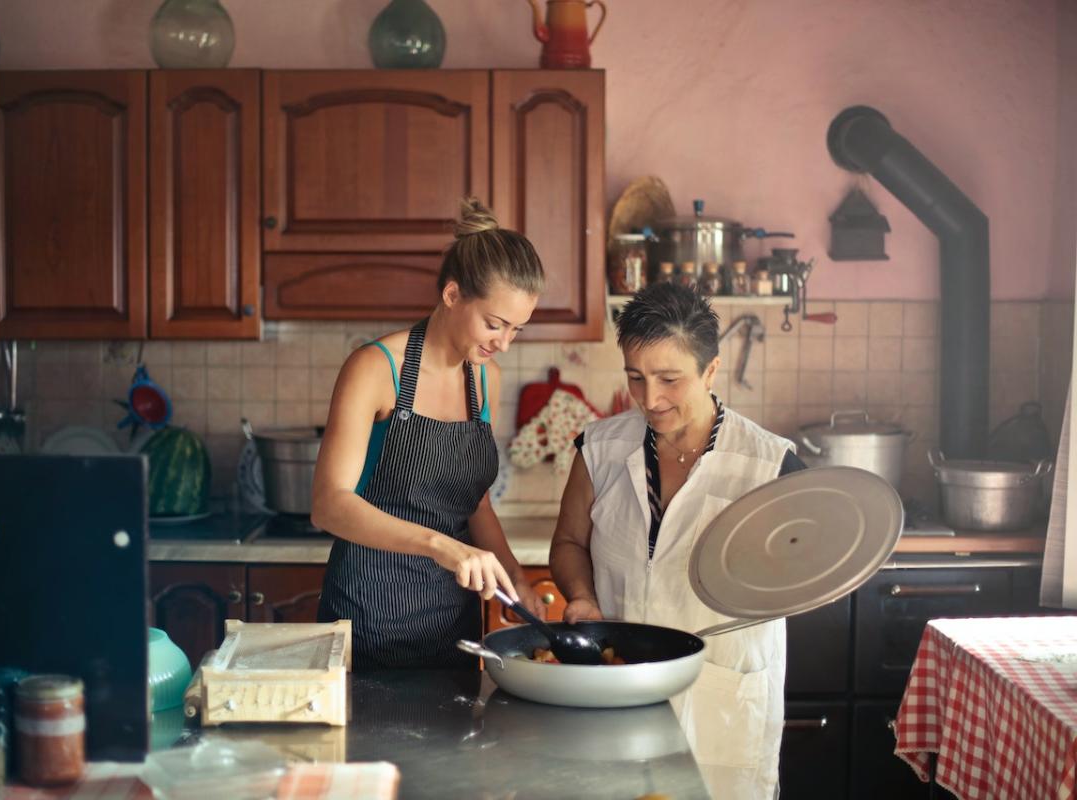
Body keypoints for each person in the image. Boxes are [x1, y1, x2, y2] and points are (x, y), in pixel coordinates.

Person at [549, 282, 805, 800]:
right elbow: (570, 542)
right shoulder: (599, 447)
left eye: (670, 379)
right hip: (619, 692)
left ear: (711, 371)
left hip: (722, 699)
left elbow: (802, 576)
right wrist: (581, 596)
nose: (650, 399)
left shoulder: (770, 465)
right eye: (636, 378)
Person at [311, 197, 547, 670]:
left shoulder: (486, 379)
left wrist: (516, 577)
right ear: (453, 295)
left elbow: (474, 502)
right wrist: (440, 545)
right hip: (367, 618)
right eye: (495, 324)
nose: (503, 343)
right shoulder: (376, 368)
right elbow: (329, 505)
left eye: (517, 330)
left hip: (454, 627)